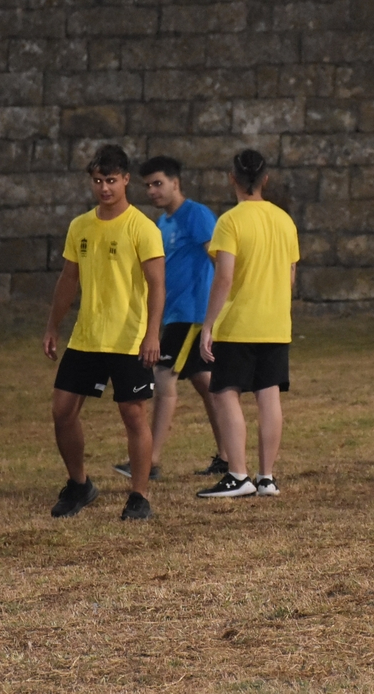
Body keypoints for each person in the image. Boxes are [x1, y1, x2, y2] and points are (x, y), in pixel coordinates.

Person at [43, 144, 165, 520]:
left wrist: (152, 334)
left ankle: (139, 496)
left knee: (133, 414)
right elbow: (68, 279)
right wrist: (52, 326)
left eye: (111, 180)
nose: (104, 188)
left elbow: (157, 285)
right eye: (97, 181)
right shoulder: (80, 226)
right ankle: (80, 484)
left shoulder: (142, 228)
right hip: (87, 336)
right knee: (62, 411)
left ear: (126, 180)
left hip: (128, 338)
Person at [110, 156, 228, 482]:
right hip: (174, 313)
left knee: (163, 376)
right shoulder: (163, 223)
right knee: (206, 384)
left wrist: (219, 308)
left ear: (176, 183)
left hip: (192, 314)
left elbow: (219, 259)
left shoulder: (197, 215)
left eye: (158, 183)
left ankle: (150, 460)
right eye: (148, 185)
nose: (152, 190)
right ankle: (227, 457)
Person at [196, 149, 300, 498]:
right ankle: (266, 477)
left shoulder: (230, 221)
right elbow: (290, 277)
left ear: (233, 178)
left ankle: (238, 475)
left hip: (239, 322)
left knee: (225, 393)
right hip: (275, 323)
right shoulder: (284, 221)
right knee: (269, 396)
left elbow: (224, 277)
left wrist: (208, 324)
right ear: (265, 179)